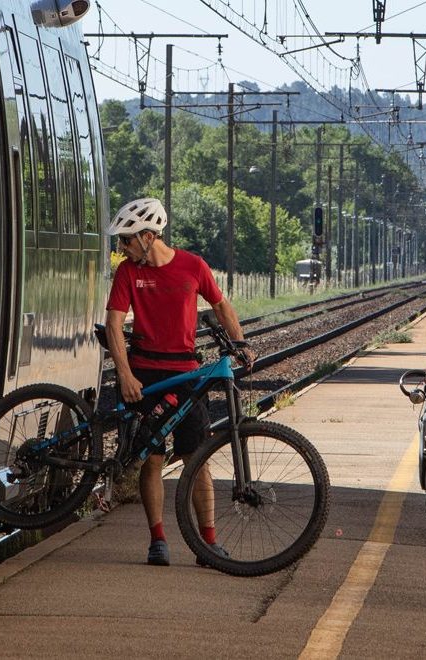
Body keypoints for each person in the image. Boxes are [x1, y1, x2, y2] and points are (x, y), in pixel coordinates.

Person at [101, 197, 255, 566]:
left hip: (186, 374)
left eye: (126, 240)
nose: (121, 247)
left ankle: (208, 543)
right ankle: (157, 539)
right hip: (145, 374)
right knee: (152, 460)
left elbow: (221, 305)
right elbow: (113, 324)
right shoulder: (127, 272)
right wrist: (125, 374)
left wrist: (242, 343)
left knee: (197, 459)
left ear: (149, 236)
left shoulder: (192, 265)